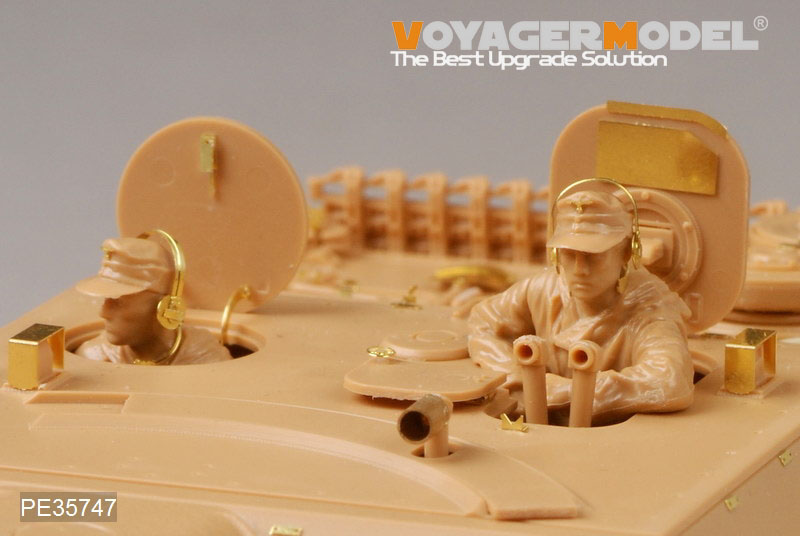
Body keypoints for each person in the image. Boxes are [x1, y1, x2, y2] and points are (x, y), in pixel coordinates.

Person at [468, 187, 694, 422]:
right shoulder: (544, 288)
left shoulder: (650, 308)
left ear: (626, 253)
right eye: (569, 254)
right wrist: (516, 374)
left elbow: (670, 379)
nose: (579, 270)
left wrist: (568, 391)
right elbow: (484, 321)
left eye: (593, 256)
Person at [75, 236, 231, 365]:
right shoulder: (95, 356)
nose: (103, 313)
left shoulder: (205, 358)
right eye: (106, 300)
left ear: (165, 306)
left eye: (118, 302)